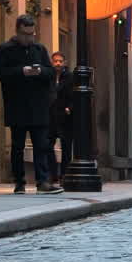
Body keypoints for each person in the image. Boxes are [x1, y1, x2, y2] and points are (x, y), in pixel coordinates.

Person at [0, 15, 61, 194]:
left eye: (32, 34)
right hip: (17, 104)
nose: (29, 38)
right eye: (25, 34)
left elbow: (50, 72)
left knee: (41, 145)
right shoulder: (5, 49)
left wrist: (39, 72)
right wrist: (21, 72)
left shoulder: (39, 49)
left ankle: (42, 182)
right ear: (17, 31)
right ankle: (19, 182)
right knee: (18, 146)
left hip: (38, 105)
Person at [48, 52, 74, 182]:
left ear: (64, 62)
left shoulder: (70, 77)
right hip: (51, 115)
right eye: (55, 61)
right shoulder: (49, 76)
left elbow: (74, 95)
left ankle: (64, 174)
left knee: (66, 146)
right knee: (48, 145)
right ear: (51, 62)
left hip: (65, 116)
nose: (58, 63)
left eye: (60, 61)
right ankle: (53, 174)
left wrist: (70, 108)